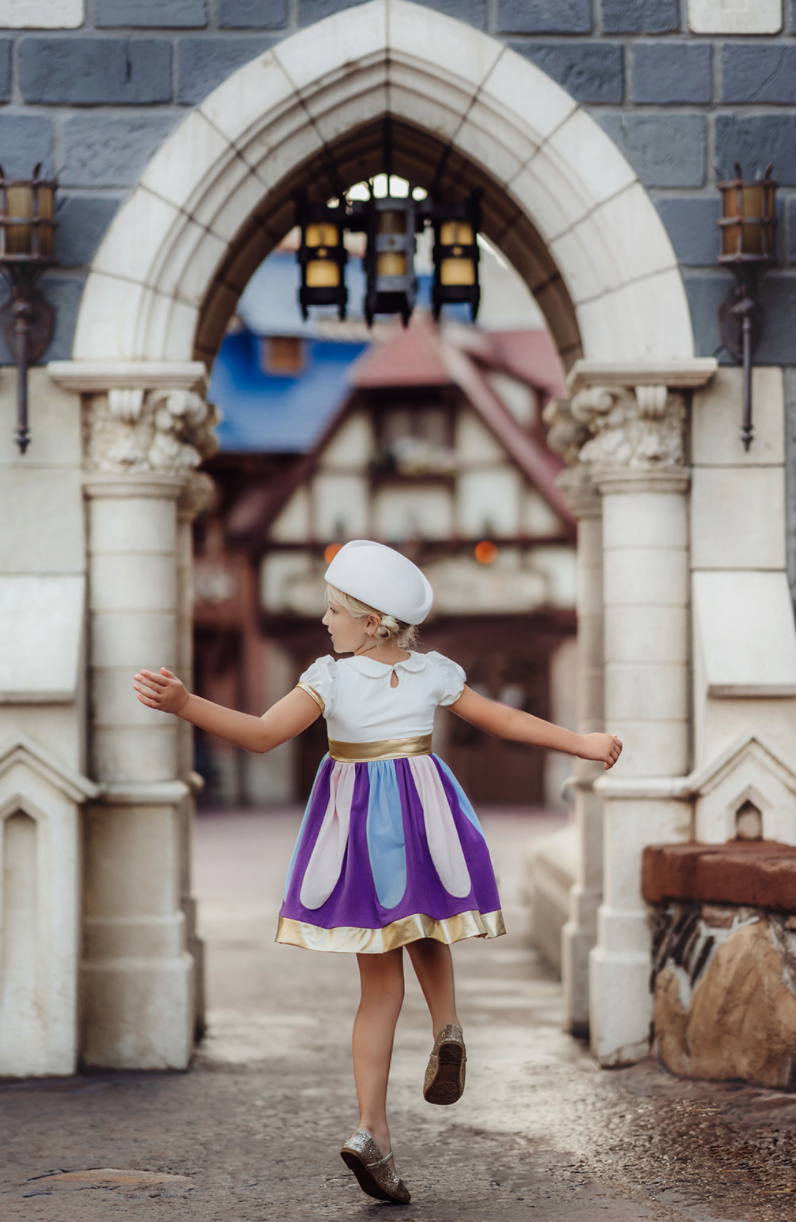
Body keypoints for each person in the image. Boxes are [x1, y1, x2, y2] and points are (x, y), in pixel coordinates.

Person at [134, 539, 622, 1205]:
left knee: (378, 990)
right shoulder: (432, 672)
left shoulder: (328, 679)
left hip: (360, 830)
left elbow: (259, 734)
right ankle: (448, 1027)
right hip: (425, 813)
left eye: (334, 610)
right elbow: (503, 720)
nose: (324, 620)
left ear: (370, 622)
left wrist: (184, 705)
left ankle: (373, 1131)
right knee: (431, 922)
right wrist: (583, 744)